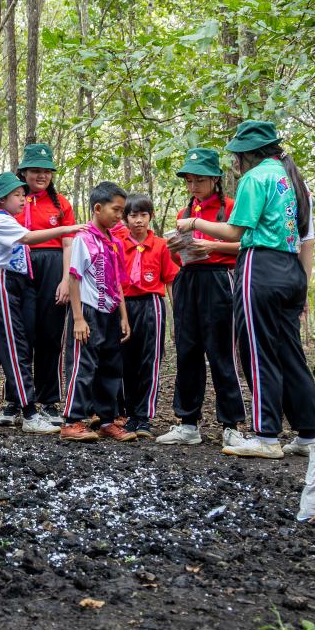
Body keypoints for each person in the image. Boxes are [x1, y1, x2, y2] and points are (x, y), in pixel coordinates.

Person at [177, 121, 315, 458]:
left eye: (237, 156)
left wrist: (193, 223)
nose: (236, 163)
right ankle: (308, 434)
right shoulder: (293, 180)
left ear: (249, 154)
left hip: (261, 267)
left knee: (257, 351)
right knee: (289, 352)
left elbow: (235, 232)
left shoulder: (256, 178)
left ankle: (267, 435)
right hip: (291, 269)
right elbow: (306, 238)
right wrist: (304, 286)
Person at [0, 172, 84, 434]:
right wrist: (67, 229)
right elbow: (28, 238)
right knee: (16, 346)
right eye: (17, 195)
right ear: (2, 199)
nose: (23, 200)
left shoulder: (9, 219)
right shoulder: (1, 221)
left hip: (12, 283)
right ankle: (28, 412)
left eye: (24, 195)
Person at [158, 148, 247, 449]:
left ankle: (231, 424)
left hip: (219, 280)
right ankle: (187, 422)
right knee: (188, 349)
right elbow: (175, 255)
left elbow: (244, 246)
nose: (194, 186)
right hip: (189, 280)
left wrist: (211, 248)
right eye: (189, 181)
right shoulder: (184, 214)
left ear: (215, 180)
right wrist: (174, 247)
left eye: (200, 180)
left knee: (221, 351)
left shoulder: (232, 208)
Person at [57, 183, 134, 442]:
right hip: (88, 312)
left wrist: (123, 316)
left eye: (122, 211)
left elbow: (118, 283)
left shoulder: (114, 242)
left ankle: (107, 421)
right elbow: (74, 278)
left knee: (111, 368)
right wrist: (78, 318)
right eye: (116, 210)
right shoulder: (83, 239)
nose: (119, 216)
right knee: (83, 366)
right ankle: (72, 420)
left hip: (110, 312)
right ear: (98, 208)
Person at [15, 143, 76, 425]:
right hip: (22, 266)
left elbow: (68, 243)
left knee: (51, 335)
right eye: (35, 171)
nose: (41, 176)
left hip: (53, 266)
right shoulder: (13, 200)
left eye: (46, 171)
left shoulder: (61, 203)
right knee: (22, 334)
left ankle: (49, 400)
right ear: (24, 173)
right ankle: (16, 399)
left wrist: (65, 279)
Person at [114, 195, 178, 434]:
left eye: (143, 215)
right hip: (123, 304)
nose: (138, 220)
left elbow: (170, 280)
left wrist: (176, 314)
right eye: (133, 215)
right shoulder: (118, 242)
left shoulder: (161, 245)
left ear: (150, 217)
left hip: (152, 304)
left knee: (149, 361)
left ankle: (144, 416)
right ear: (125, 218)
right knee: (124, 360)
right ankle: (126, 414)